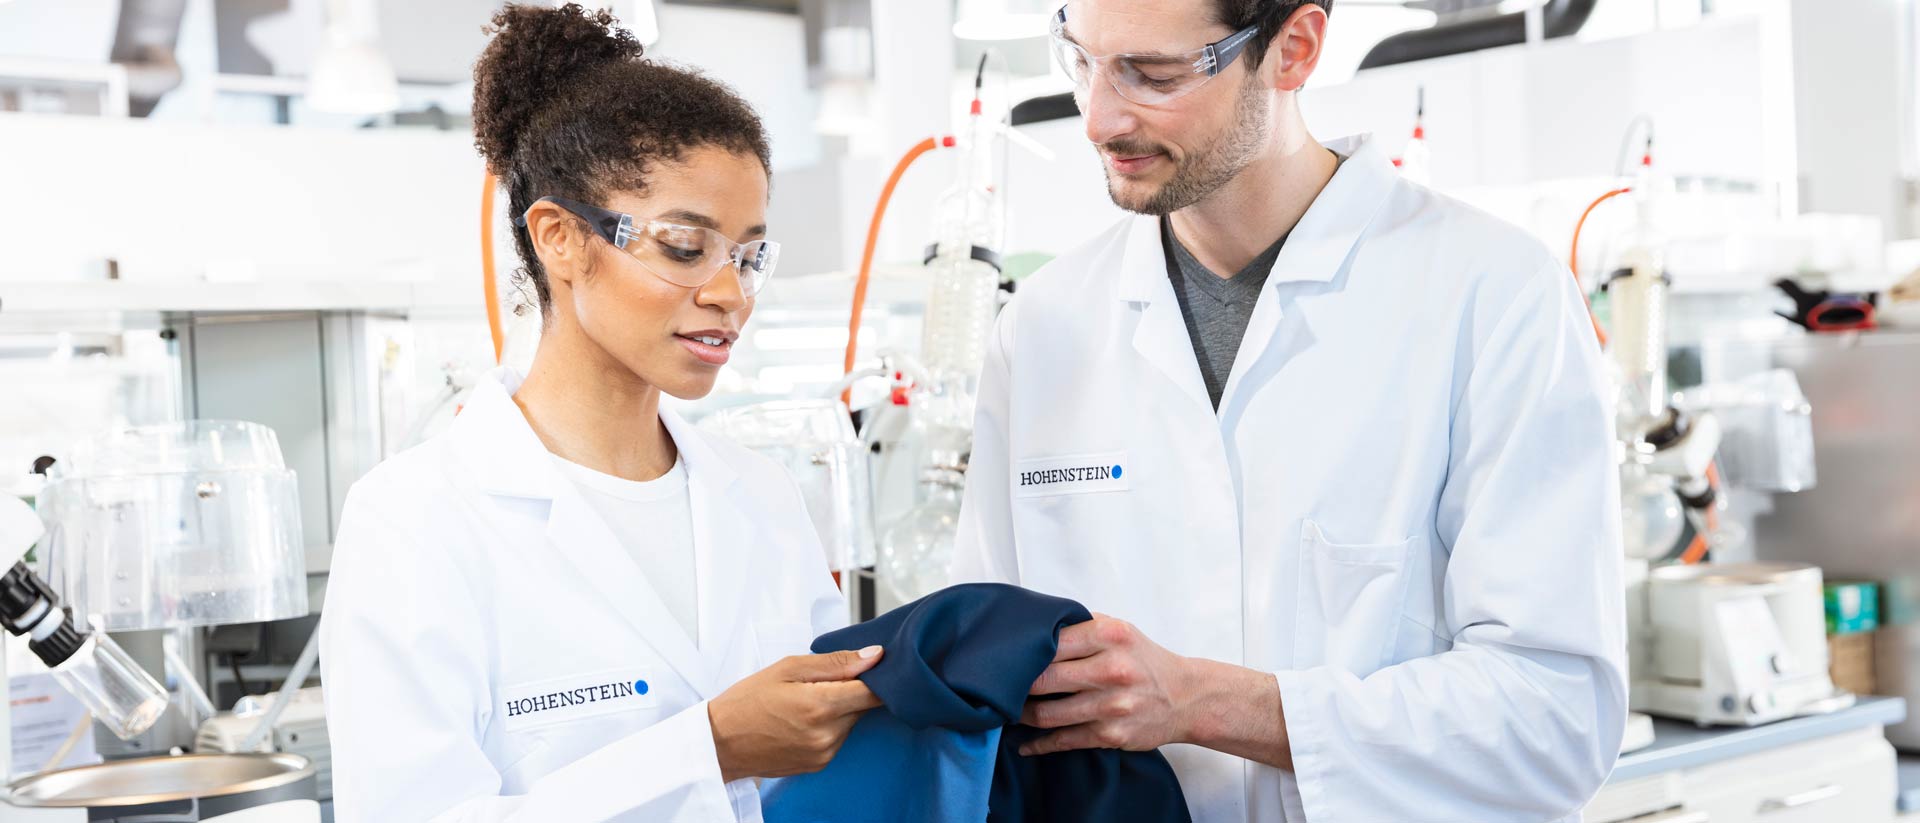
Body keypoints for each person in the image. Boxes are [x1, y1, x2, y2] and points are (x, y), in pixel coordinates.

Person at [950, 1, 1627, 821]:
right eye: (1082, 62)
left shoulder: (1494, 296)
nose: (1097, 117)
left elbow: (1553, 720)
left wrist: (1205, 702)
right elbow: (980, 674)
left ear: (1294, 49)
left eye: (1153, 74)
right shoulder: (1043, 328)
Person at [319, 6, 882, 820]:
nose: (729, 292)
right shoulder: (414, 522)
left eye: (749, 254)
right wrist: (708, 748)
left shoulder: (760, 497)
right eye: (685, 248)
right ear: (559, 238)